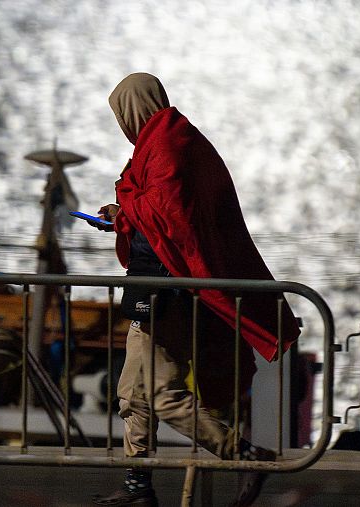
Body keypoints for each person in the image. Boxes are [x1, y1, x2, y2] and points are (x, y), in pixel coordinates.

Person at [90, 73, 302, 507]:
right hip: (156, 281)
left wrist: (126, 211)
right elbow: (161, 211)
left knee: (163, 396)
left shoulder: (169, 147)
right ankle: (138, 488)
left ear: (134, 109)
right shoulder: (170, 140)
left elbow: (172, 216)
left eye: (121, 115)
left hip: (172, 288)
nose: (122, 124)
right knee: (133, 394)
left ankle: (246, 456)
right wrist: (122, 214)